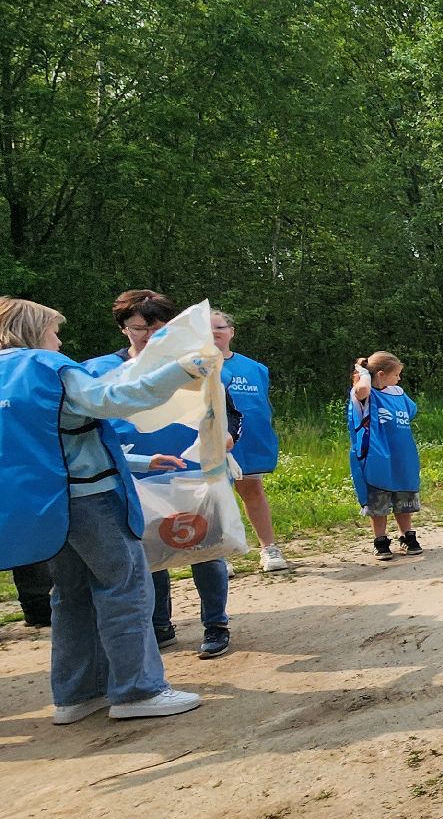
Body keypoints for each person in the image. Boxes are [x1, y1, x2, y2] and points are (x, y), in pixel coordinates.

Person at [0, 296, 208, 721]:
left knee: (70, 597)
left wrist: (140, 461)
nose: (58, 341)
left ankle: (76, 695)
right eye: (54, 332)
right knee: (126, 589)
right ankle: (137, 692)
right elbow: (116, 399)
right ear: (34, 331)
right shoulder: (48, 367)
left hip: (45, 506)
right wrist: (183, 369)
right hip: (92, 500)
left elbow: (47, 442)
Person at [83, 291, 239, 660]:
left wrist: (227, 434)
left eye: (157, 327)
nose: (149, 336)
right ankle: (160, 624)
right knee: (149, 551)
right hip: (135, 474)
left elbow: (229, 412)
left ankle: (216, 624)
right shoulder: (98, 369)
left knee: (206, 548)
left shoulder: (196, 364)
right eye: (139, 328)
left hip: (194, 473)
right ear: (124, 329)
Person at [213, 309, 287, 572]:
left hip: (250, 442)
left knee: (253, 491)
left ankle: (268, 548)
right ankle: (219, 555)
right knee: (217, 498)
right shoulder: (194, 367)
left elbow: (261, 405)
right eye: (207, 329)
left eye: (219, 328)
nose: (214, 334)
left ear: (231, 332)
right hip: (212, 444)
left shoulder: (255, 368)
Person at [348, 351, 422, 560]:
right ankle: (380, 541)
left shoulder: (397, 392)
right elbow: (362, 389)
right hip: (376, 457)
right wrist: (363, 372)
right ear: (380, 374)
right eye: (396, 374)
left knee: (403, 496)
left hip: (402, 456)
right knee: (378, 501)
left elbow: (411, 410)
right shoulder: (364, 393)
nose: (398, 379)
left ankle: (407, 536)